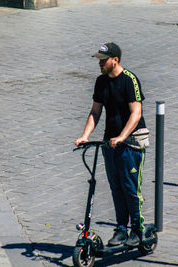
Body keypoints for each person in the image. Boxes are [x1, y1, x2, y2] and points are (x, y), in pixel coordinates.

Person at [75, 42, 147, 247]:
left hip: (132, 141)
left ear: (115, 60)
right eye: (99, 60)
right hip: (111, 141)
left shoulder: (129, 80)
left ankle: (137, 230)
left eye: (103, 60)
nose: (100, 64)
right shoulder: (101, 82)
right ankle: (121, 230)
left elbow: (136, 113)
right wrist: (85, 136)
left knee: (131, 188)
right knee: (116, 187)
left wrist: (123, 137)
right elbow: (95, 111)